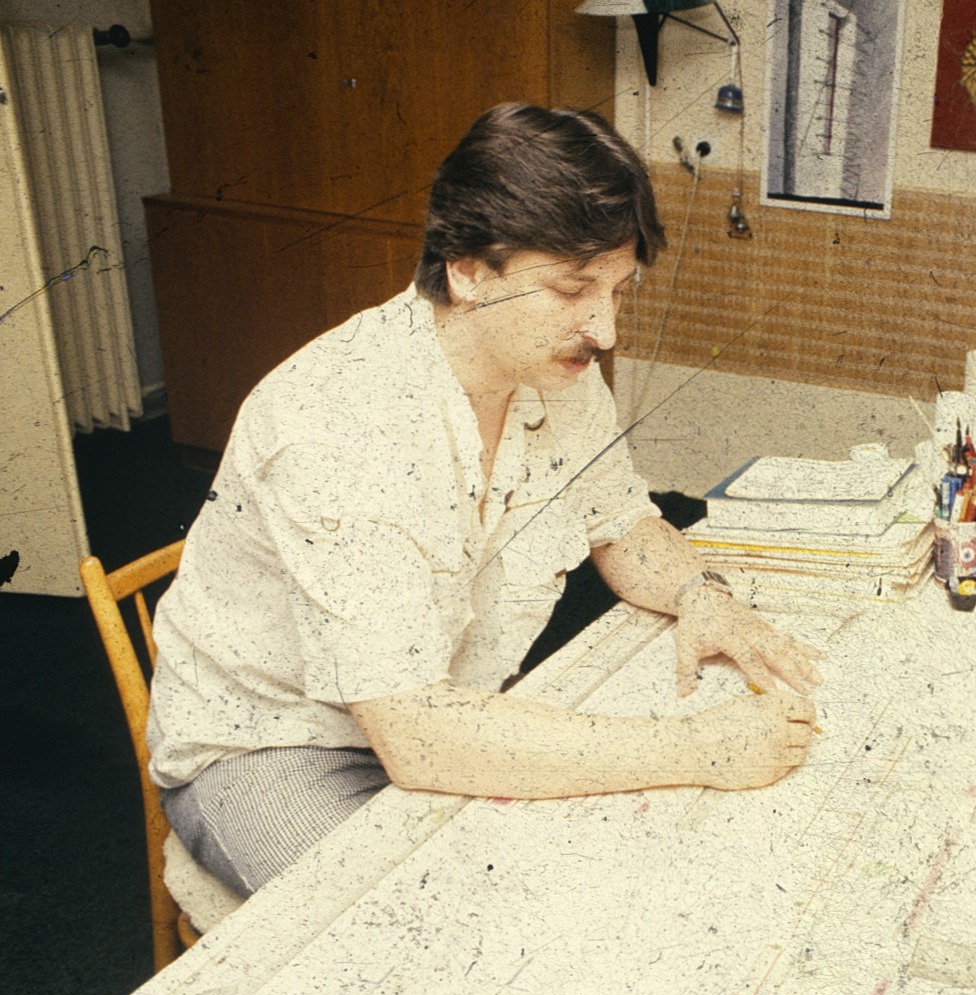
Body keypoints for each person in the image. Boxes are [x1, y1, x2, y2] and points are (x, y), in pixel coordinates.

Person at [147, 103, 823, 898]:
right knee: (432, 932)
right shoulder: (337, 424)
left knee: (611, 883)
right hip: (275, 745)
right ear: (466, 271)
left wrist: (700, 593)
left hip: (442, 707)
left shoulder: (553, 371)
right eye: (571, 289)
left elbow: (622, 522)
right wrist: (699, 750)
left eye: (618, 290)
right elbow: (416, 735)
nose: (605, 330)